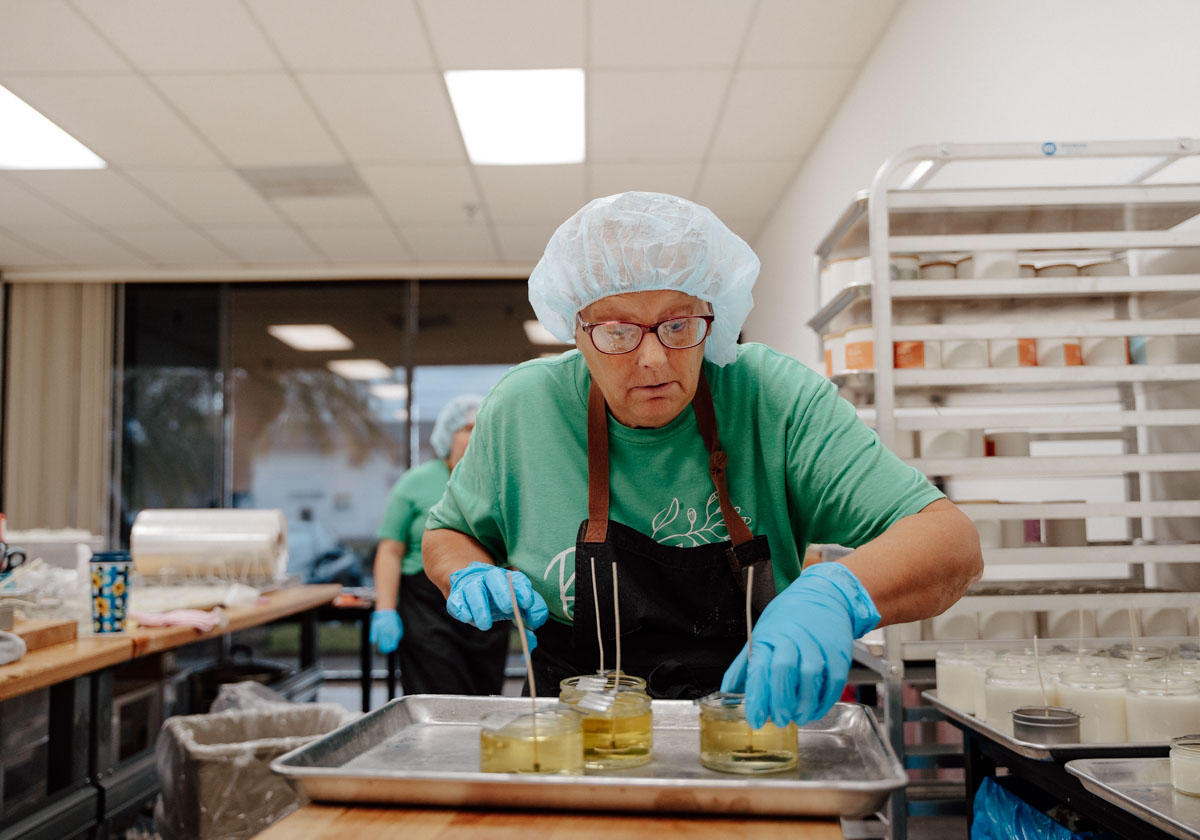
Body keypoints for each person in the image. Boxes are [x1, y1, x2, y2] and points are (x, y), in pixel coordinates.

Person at [424, 192, 982, 728]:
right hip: (573, 737)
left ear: (714, 314)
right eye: (618, 331)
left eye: (679, 325)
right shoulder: (525, 408)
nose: (651, 359)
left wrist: (835, 594)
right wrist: (466, 571)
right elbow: (447, 531)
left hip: (747, 725)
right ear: (577, 330)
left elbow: (951, 543)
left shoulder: (773, 398)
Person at [370, 395, 509, 695]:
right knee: (439, 696)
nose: (474, 435)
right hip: (426, 609)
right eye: (466, 427)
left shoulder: (500, 484)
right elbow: (390, 550)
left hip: (487, 607)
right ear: (447, 435)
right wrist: (385, 609)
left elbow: (517, 549)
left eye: (481, 427)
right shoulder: (415, 483)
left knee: (485, 698)